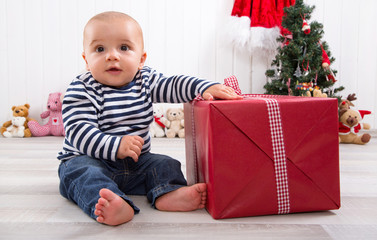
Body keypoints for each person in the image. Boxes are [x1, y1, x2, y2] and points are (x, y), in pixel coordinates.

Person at [57, 11, 242, 226]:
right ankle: (113, 203)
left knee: (165, 163)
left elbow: (174, 84)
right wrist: (116, 145)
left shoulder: (145, 80)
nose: (112, 56)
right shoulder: (81, 88)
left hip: (135, 164)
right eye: (100, 49)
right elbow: (79, 132)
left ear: (141, 59)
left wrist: (204, 87)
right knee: (82, 174)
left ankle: (167, 193)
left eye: (124, 48)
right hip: (91, 159)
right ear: (86, 60)